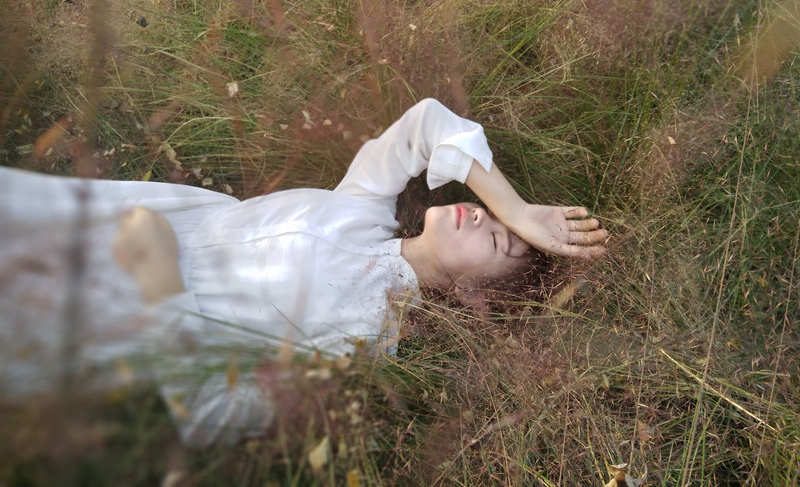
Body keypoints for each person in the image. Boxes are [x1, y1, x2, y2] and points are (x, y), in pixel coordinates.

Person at [0, 98, 606, 447]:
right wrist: (517, 211)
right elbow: (427, 123)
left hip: (109, 312)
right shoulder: (363, 207)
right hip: (115, 219)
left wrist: (159, 293)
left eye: (497, 239)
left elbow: (216, 413)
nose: (481, 214)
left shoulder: (363, 345)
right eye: (490, 213)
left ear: (474, 297)